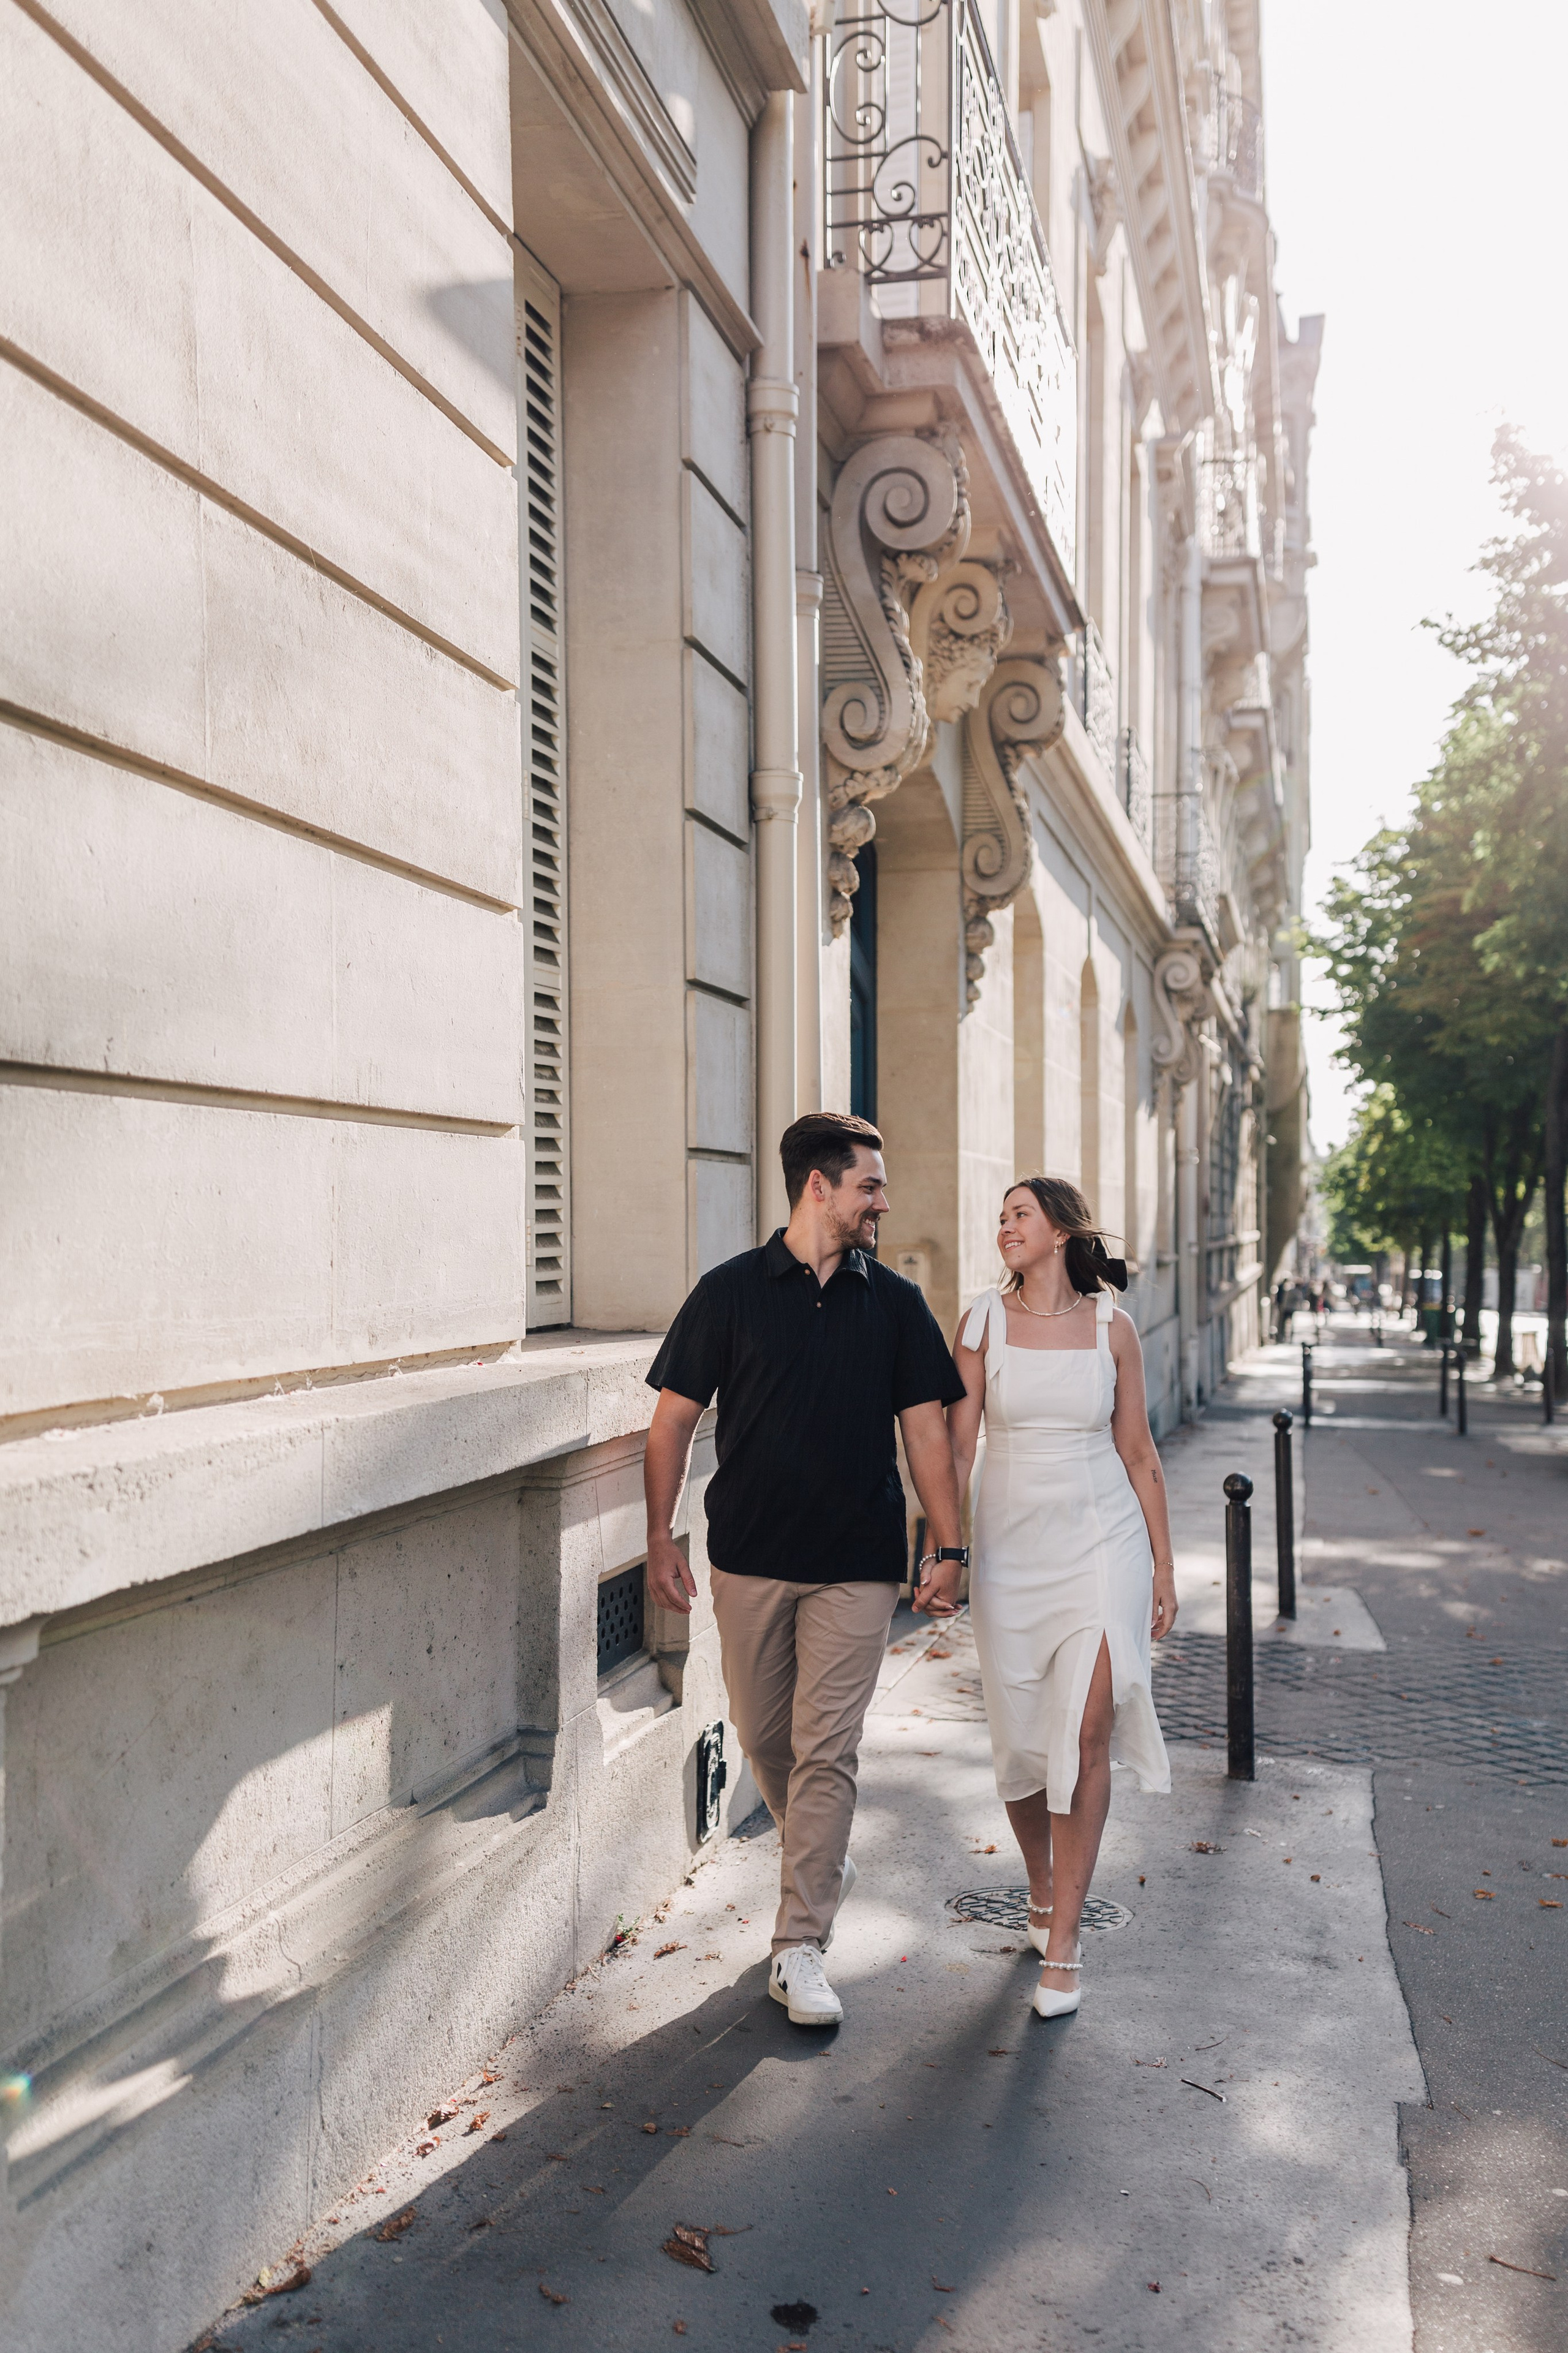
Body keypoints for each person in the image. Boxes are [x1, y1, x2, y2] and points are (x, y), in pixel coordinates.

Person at [643, 1112, 967, 2028]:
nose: (884, 1201)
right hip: (748, 1554)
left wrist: (948, 1545)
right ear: (818, 1186)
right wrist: (661, 1535)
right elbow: (672, 1420)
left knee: (828, 1747)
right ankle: (820, 1857)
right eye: (870, 1184)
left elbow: (927, 1432)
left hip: (857, 1563)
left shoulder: (896, 1303)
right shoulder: (730, 1293)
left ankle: (799, 1946)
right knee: (762, 1735)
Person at [942, 1176, 1175, 2021]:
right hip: (1011, 1547)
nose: (1004, 1224)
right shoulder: (981, 1321)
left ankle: (1068, 1940)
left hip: (1101, 1539)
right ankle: (1040, 1889)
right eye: (999, 1213)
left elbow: (1140, 1450)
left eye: (1020, 1214)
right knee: (1021, 1740)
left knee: (1085, 1728)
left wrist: (1161, 1563)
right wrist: (945, 1551)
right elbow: (959, 1444)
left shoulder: (1113, 1326)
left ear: (1061, 1231)